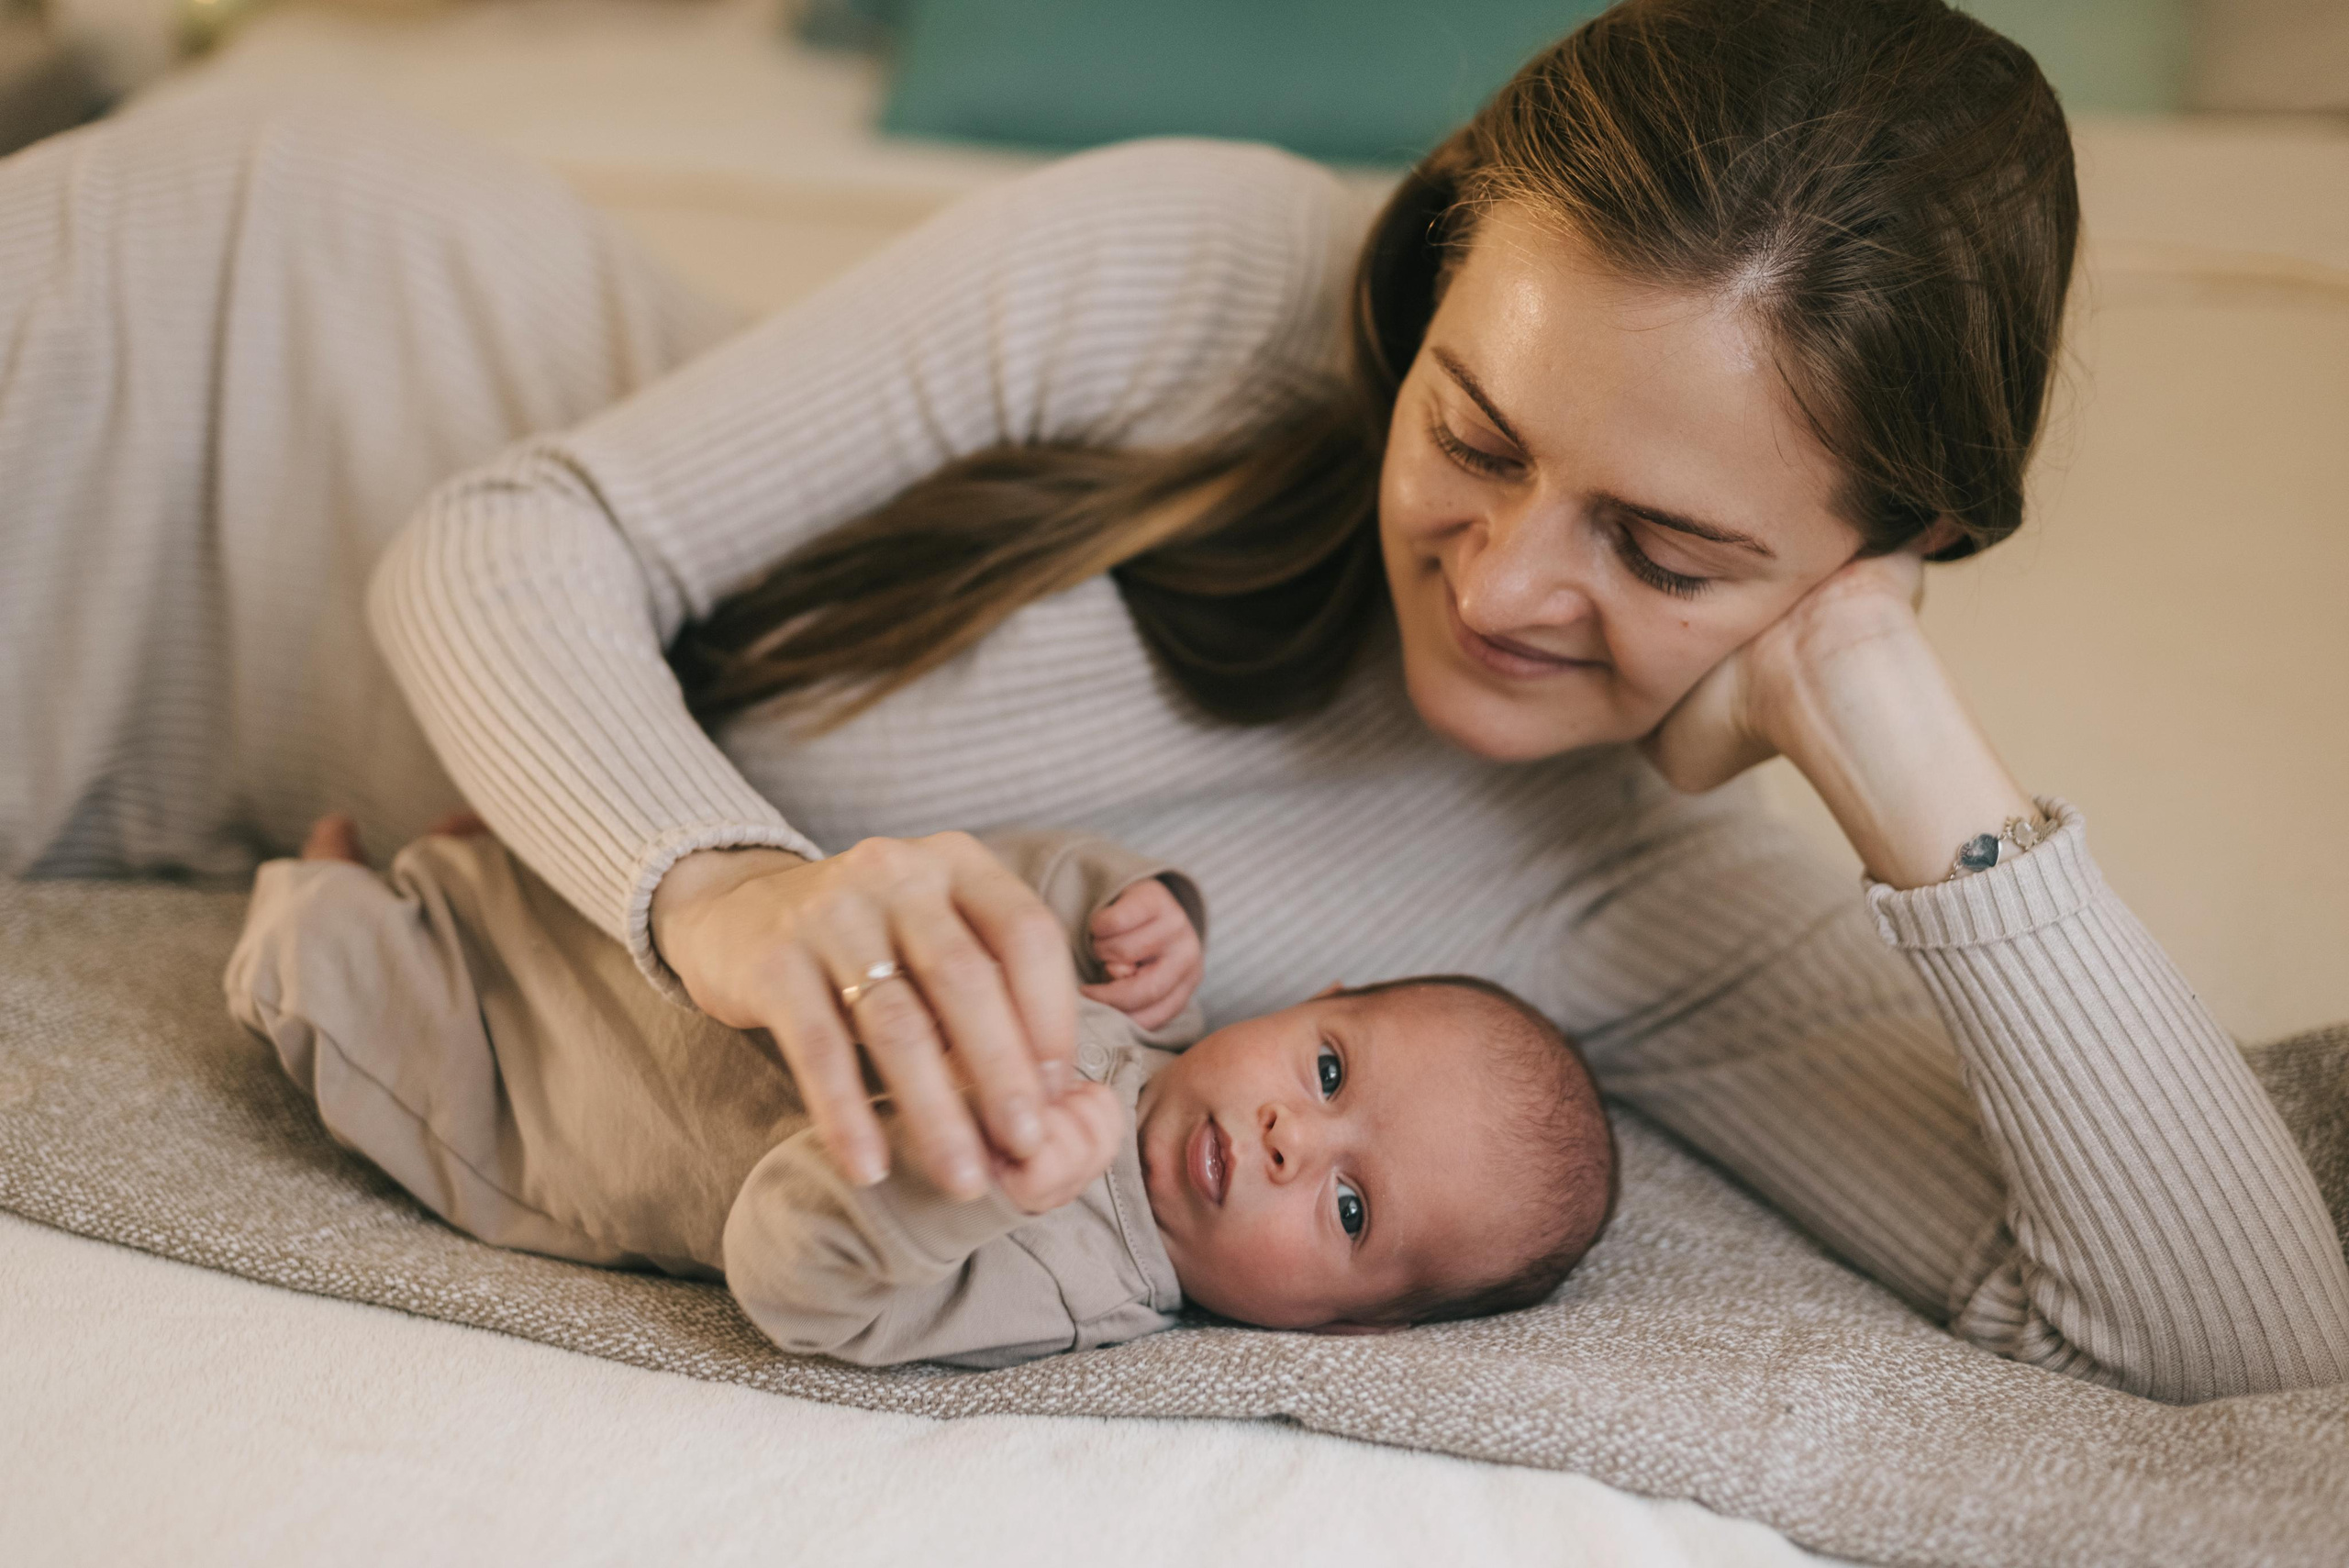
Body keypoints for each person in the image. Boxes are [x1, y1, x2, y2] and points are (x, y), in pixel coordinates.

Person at [5, 0, 2344, 1404]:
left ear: (1885, 545)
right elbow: (504, 541)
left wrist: (1878, 716)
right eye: (1473, 431)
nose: (1509, 583)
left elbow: (2245, 1343)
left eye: (1667, 546)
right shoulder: (1192, 273)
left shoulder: (1658, 923)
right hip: (227, 377)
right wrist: (729, 900)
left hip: (235, 791)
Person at [223, 815, 1616, 1366]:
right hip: (677, 962)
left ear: (1337, 1326)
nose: (1286, 1136)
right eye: (1326, 1069)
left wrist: (960, 1186)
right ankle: (454, 866)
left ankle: (323, 883)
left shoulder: (1069, 1278)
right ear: (1300, 1009)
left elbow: (790, 1273)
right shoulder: (1153, 1020)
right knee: (536, 867)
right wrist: (1130, 902)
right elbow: (985, 874)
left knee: (328, 976)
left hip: (550, 1092)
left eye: (1352, 1207)